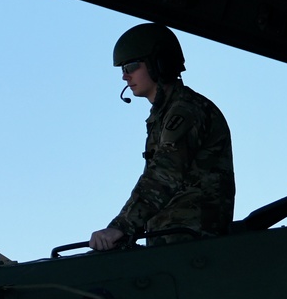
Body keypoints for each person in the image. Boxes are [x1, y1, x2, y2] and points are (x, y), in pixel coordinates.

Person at [90, 23, 234, 250]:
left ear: (160, 64)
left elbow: (165, 174)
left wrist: (121, 226)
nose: (125, 77)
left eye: (131, 66)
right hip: (174, 241)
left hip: (192, 242)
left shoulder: (186, 110)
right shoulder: (164, 114)